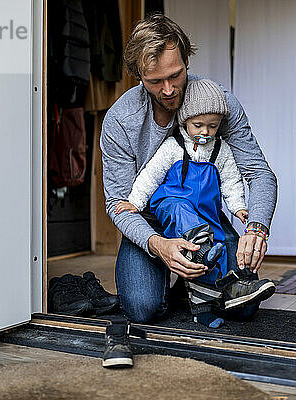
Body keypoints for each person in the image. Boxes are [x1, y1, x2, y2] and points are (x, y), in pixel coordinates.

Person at [100, 13, 277, 325]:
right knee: (143, 308)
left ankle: (194, 278)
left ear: (186, 61)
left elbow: (259, 173)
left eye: (176, 76)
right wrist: (159, 246)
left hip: (205, 218)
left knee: (244, 308)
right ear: (138, 77)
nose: (168, 90)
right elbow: (119, 204)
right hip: (151, 224)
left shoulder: (217, 103)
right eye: (155, 81)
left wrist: (257, 227)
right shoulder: (120, 120)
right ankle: (180, 275)